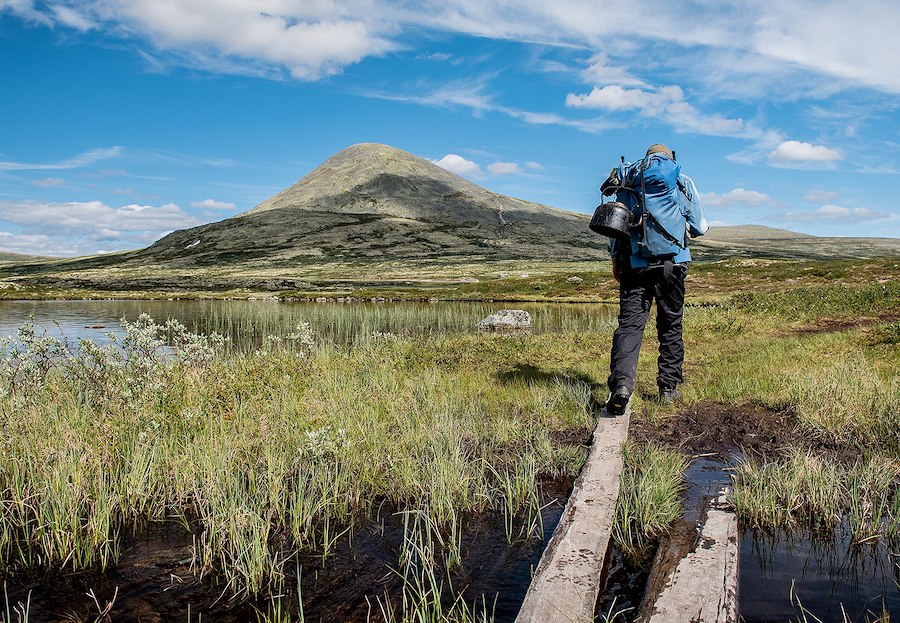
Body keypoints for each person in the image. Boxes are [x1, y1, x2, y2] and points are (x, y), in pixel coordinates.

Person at [601, 144, 708, 415]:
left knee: (630, 327)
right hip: (673, 265)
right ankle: (668, 389)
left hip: (634, 265)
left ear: (646, 158)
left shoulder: (629, 179)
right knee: (671, 324)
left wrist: (616, 260)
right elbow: (700, 227)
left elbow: (617, 225)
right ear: (670, 159)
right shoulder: (681, 180)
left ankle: (622, 387)